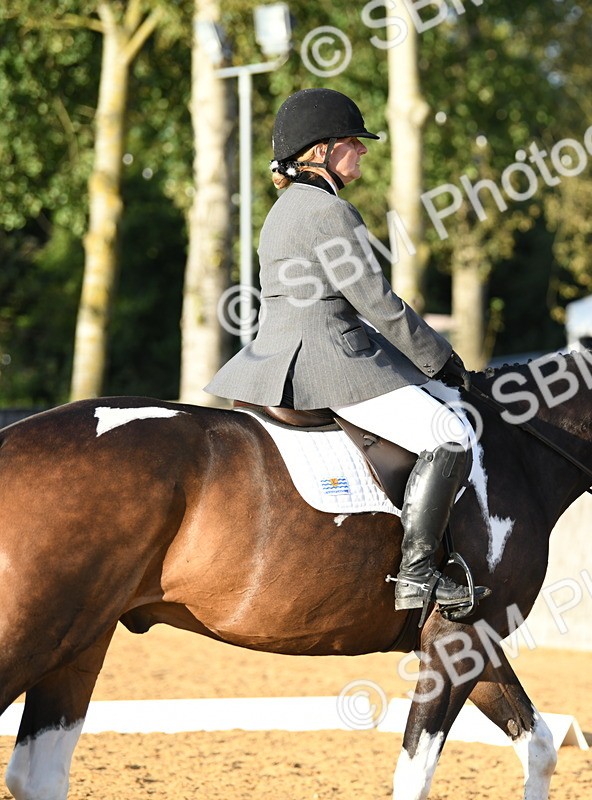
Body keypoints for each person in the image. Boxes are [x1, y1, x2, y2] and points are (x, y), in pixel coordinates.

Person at [205, 88, 486, 616]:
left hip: (279, 356)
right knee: (450, 435)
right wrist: (439, 357)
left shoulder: (285, 209)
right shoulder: (331, 212)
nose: (361, 150)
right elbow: (377, 304)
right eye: (352, 142)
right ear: (321, 150)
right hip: (327, 361)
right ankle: (417, 573)